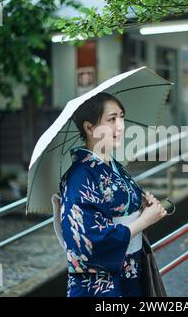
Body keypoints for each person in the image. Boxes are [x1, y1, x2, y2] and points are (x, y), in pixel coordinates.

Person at [58, 92, 167, 297]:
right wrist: (143, 221)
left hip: (132, 273)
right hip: (103, 284)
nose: (120, 126)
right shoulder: (79, 177)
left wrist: (142, 205)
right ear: (89, 127)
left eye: (121, 117)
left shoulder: (114, 166)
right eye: (111, 119)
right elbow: (88, 241)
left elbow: (123, 206)